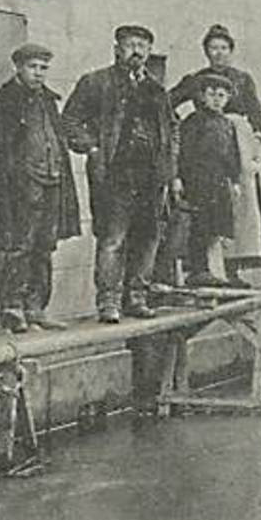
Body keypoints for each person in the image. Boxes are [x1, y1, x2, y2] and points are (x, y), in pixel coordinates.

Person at [62, 24, 180, 324]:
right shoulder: (96, 82)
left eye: (143, 46)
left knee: (148, 238)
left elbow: (171, 129)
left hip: (150, 177)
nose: (137, 51)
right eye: (131, 44)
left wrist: (169, 169)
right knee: (113, 239)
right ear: (117, 48)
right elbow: (70, 121)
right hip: (114, 176)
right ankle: (109, 302)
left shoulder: (156, 89)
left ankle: (136, 297)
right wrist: (92, 150)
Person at [0, 43, 81, 333]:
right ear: (19, 67)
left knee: (45, 245)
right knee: (21, 245)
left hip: (51, 181)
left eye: (43, 68)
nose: (39, 73)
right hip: (21, 185)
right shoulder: (5, 100)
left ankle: (36, 307)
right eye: (33, 67)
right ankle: (12, 307)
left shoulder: (48, 100)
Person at [169, 25, 261, 282]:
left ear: (231, 51)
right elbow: (168, 102)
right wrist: (176, 126)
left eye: (224, 48)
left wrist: (255, 140)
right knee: (205, 209)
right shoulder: (196, 80)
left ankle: (232, 270)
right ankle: (207, 269)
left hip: (236, 146)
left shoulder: (243, 79)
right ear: (206, 51)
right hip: (204, 146)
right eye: (213, 48)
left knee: (238, 207)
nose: (219, 53)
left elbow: (256, 116)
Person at [177, 73, 243, 287]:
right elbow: (183, 152)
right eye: (212, 94)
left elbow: (233, 154)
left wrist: (234, 180)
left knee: (217, 227)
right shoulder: (193, 122)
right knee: (200, 226)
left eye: (222, 95)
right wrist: (179, 178)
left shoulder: (227, 124)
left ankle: (216, 270)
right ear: (202, 97)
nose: (216, 99)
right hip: (197, 181)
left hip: (219, 182)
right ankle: (198, 270)